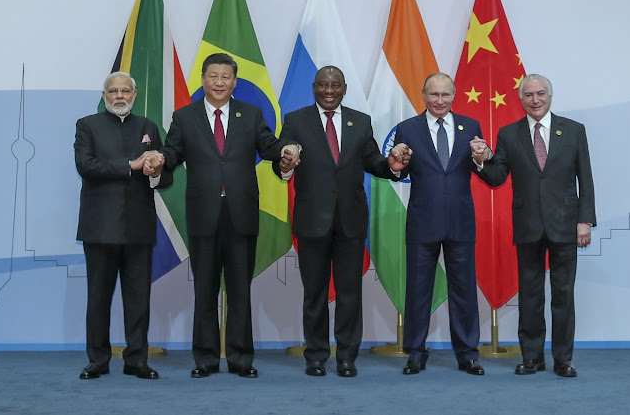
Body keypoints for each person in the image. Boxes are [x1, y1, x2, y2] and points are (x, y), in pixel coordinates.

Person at [156, 53, 298, 379]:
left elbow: (271, 147)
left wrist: (287, 153)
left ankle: (240, 359)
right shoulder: (185, 117)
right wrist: (158, 159)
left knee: (239, 291)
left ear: (234, 82)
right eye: (213, 76)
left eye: (225, 77)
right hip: (203, 215)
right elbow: (172, 153)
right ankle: (205, 360)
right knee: (204, 290)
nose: (219, 82)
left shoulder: (251, 114)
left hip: (241, 214)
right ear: (203, 80)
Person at [272, 66, 411, 378]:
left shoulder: (360, 121)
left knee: (350, 293)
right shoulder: (296, 120)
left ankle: (347, 357)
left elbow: (373, 161)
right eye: (323, 85)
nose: (329, 90)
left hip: (350, 221)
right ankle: (316, 357)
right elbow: (280, 161)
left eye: (335, 85)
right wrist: (284, 165)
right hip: (311, 221)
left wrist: (393, 165)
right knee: (315, 295)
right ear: (314, 87)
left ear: (344, 88)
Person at [471, 73, 596, 378]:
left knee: (563, 294)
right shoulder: (509, 134)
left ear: (550, 97)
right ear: (521, 100)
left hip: (566, 226)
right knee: (530, 294)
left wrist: (584, 221)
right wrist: (481, 160)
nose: (535, 100)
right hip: (527, 225)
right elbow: (497, 177)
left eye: (540, 94)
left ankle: (563, 359)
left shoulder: (574, 130)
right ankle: (532, 357)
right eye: (528, 95)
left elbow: (586, 179)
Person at [74, 71, 172, 380]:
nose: (120, 96)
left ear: (135, 94)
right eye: (113, 91)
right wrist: (129, 166)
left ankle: (136, 360)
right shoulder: (87, 125)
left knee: (138, 299)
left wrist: (156, 171)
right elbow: (86, 166)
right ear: (104, 96)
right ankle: (98, 360)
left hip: (138, 228)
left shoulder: (148, 127)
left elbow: (164, 177)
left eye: (125, 91)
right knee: (98, 299)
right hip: (100, 228)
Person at [393, 72, 485, 376]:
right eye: (434, 95)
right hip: (423, 221)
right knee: (418, 290)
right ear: (423, 95)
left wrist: (482, 159)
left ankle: (468, 354)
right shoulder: (407, 129)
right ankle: (415, 353)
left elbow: (485, 167)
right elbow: (398, 171)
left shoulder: (471, 127)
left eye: (446, 95)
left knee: (464, 291)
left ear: (454, 95)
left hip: (460, 220)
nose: (440, 101)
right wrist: (397, 162)